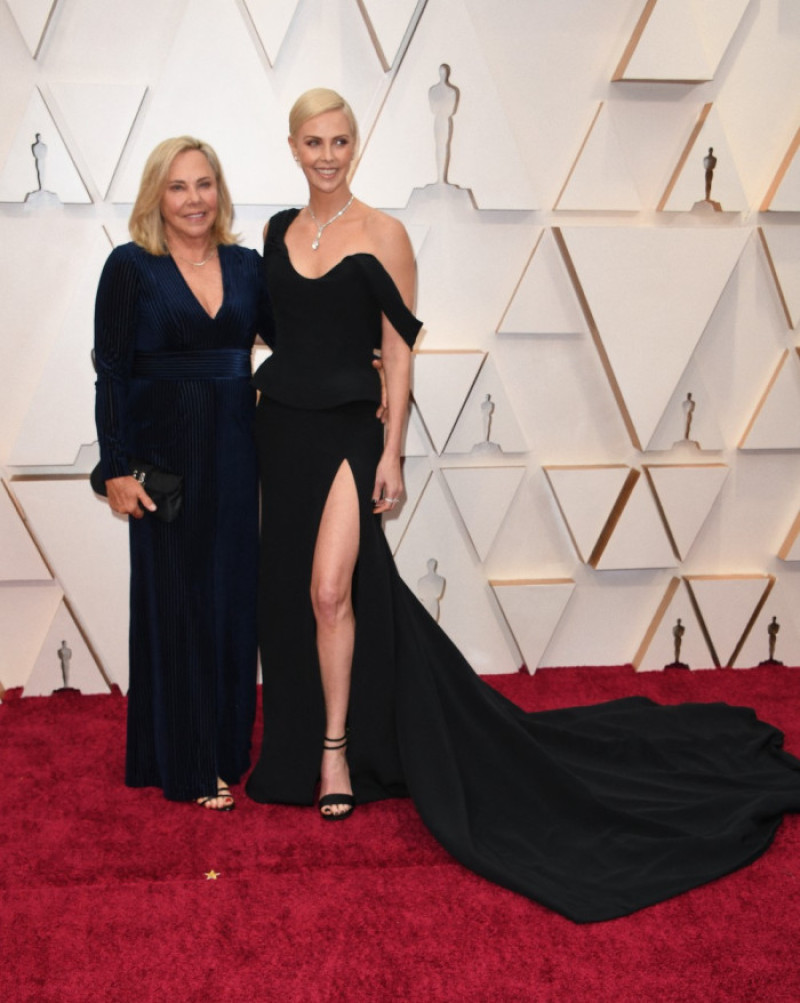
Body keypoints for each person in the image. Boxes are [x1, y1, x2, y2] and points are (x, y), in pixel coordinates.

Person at [245, 89, 800, 922]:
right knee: (295, 597)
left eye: (341, 141)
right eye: (314, 142)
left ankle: (335, 754)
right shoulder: (276, 232)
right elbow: (278, 328)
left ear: (356, 146)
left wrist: (393, 449)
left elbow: (398, 352)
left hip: (350, 434)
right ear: (292, 147)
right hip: (282, 430)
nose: (328, 155)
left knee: (332, 592)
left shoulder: (386, 235)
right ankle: (299, 744)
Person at [94, 136, 271, 811]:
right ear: (156, 197)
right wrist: (116, 468)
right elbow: (111, 370)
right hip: (161, 464)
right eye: (178, 186)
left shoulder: (248, 266)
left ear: (219, 191)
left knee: (232, 602)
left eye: (204, 184)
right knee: (177, 604)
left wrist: (362, 362)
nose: (195, 199)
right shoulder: (131, 267)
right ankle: (189, 763)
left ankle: (225, 749)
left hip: (236, 456)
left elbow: (293, 341)